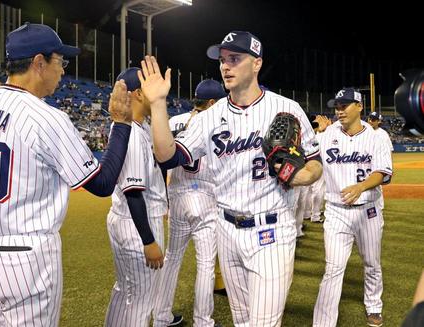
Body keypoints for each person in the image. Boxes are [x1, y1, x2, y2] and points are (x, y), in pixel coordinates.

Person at [138, 30, 323, 326]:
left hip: (271, 229)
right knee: (241, 321)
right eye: (223, 60)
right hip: (226, 229)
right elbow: (167, 155)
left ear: (257, 63)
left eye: (235, 59)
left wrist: (298, 176)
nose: (226, 66)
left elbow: (315, 164)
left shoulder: (287, 108)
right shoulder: (209, 118)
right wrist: (158, 104)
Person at [0, 22, 132, 326]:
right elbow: (101, 183)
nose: (63, 71)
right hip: (25, 256)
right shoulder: (46, 116)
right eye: (59, 61)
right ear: (38, 62)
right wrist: (121, 124)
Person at [104, 68, 180, 327]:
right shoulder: (133, 133)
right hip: (138, 222)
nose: (157, 97)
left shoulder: (137, 126)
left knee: (125, 290)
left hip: (123, 219)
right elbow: (134, 192)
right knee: (141, 299)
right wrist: (148, 240)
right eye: (150, 90)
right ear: (138, 94)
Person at [313, 88, 393, 327]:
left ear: (359, 106)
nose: (339, 110)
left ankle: (374, 306)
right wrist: (316, 131)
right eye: (337, 106)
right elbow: (307, 155)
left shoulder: (377, 136)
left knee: (371, 262)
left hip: (368, 210)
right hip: (336, 212)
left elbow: (382, 173)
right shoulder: (326, 136)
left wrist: (361, 187)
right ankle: (323, 323)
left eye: (345, 105)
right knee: (333, 269)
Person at [153, 79, 226, 327]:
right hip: (206, 195)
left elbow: (161, 160)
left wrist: (164, 198)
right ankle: (203, 321)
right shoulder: (218, 123)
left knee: (172, 259)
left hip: (177, 195)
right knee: (205, 264)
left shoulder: (174, 121)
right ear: (213, 102)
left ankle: (161, 316)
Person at [367, 111, 394, 210]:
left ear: (379, 121)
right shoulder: (365, 131)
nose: (370, 121)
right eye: (369, 119)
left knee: (377, 186)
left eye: (373, 120)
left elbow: (389, 150)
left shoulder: (383, 134)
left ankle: (379, 208)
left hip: (378, 164)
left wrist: (390, 166)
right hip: (366, 163)